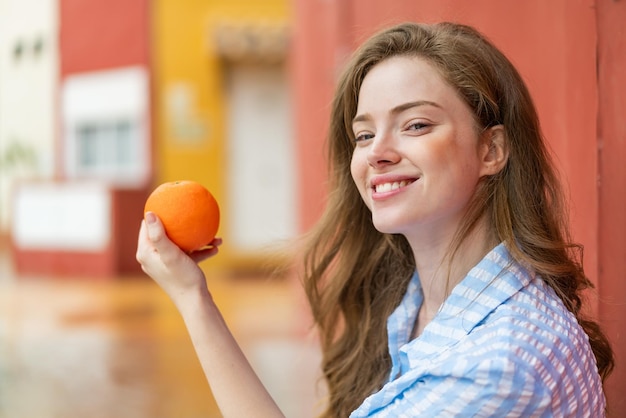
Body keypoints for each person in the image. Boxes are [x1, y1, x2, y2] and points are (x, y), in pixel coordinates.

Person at [136, 22, 614, 417]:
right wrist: (191, 293)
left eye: (416, 125)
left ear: (491, 150)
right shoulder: (417, 309)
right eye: (364, 135)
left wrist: (192, 302)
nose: (377, 154)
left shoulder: (494, 369)